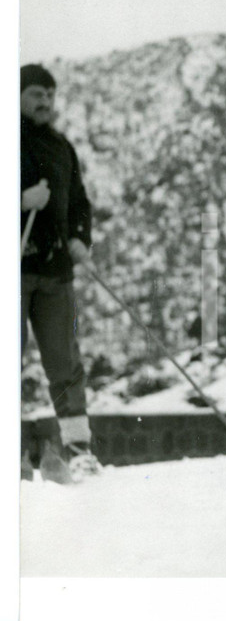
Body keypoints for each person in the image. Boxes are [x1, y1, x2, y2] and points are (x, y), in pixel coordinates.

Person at [20, 63, 100, 482]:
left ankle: (79, 449)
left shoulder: (61, 146)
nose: (45, 101)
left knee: (65, 362)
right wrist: (18, 200)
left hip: (55, 272)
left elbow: (80, 203)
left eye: (49, 94)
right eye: (36, 93)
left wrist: (79, 238)